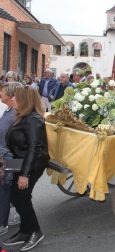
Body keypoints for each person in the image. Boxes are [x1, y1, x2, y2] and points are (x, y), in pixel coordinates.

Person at [2, 86, 49, 251]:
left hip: (31, 165)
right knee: (17, 197)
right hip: (20, 162)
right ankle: (25, 231)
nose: (13, 98)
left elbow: (34, 149)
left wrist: (25, 175)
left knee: (21, 197)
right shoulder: (23, 115)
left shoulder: (34, 119)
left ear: (24, 100)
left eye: (17, 96)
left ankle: (35, 231)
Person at [0, 82, 23, 238]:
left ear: (10, 94)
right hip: (4, 154)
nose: (0, 93)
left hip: (10, 156)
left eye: (1, 91)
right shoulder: (8, 110)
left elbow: (19, 141)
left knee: (5, 189)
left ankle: (3, 224)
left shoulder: (16, 112)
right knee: (6, 188)